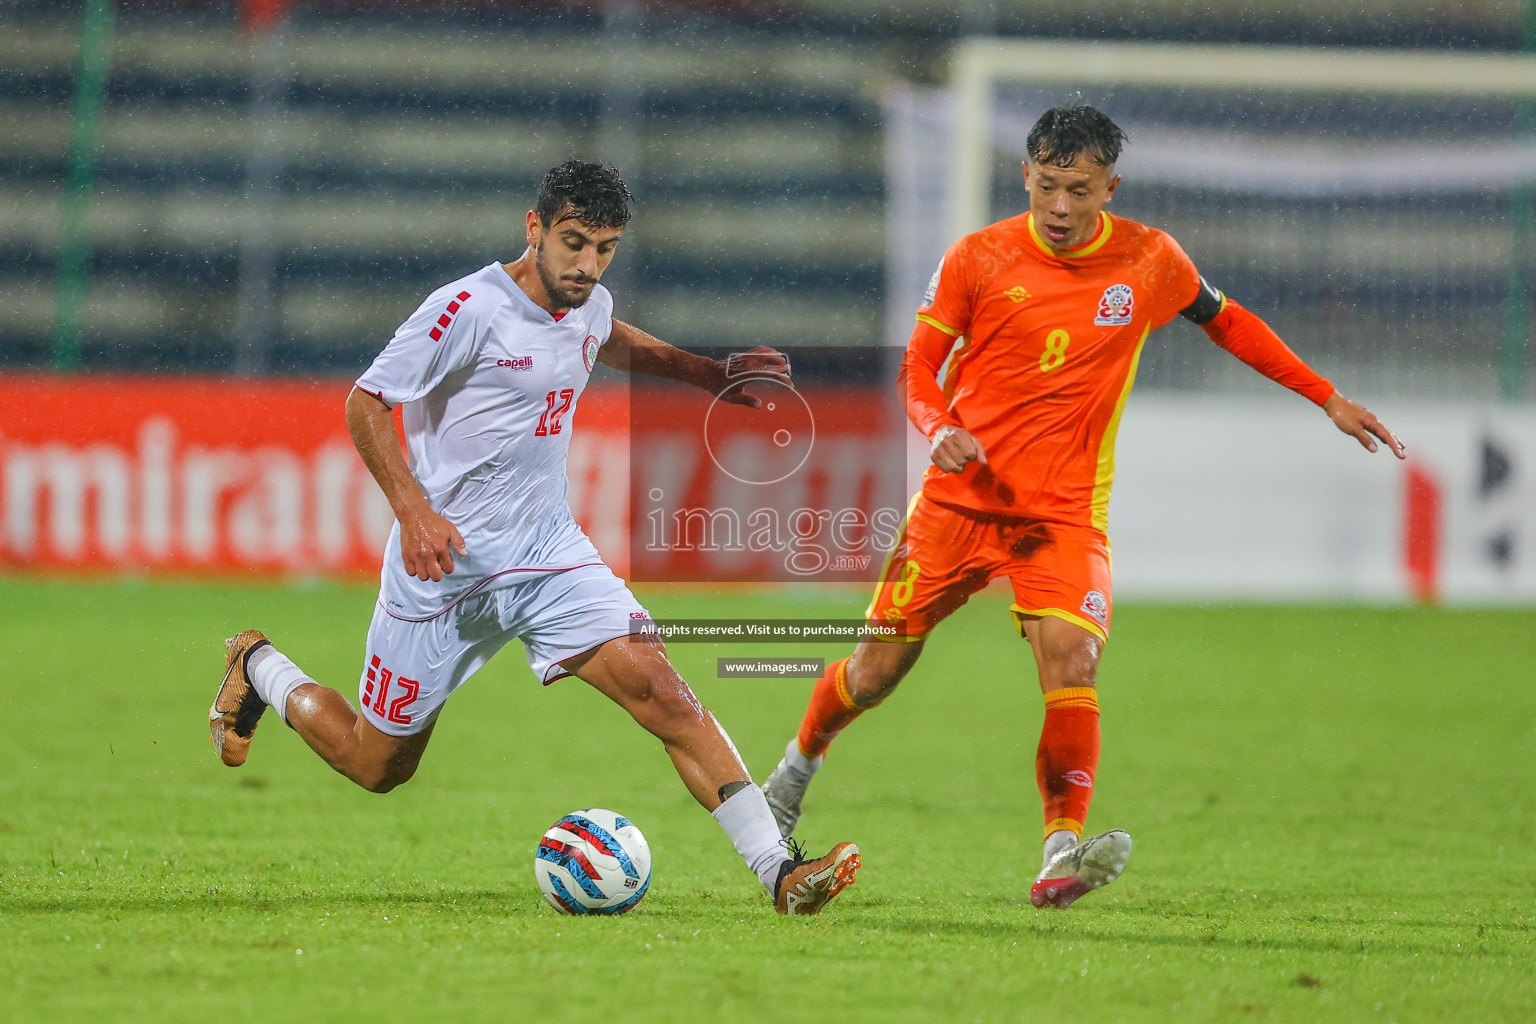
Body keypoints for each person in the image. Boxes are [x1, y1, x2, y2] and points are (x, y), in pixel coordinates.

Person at [761, 106, 1404, 909]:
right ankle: (793, 771)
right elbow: (919, 370)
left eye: (1079, 191)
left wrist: (1327, 397)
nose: (1060, 208)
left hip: (1063, 516)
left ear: (1110, 187)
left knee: (1072, 658)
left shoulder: (1149, 258)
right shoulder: (977, 256)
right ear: (1025, 174)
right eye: (1047, 187)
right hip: (959, 504)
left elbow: (1227, 322)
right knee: (876, 670)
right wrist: (939, 428)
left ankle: (1060, 852)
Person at [208, 160, 859, 916]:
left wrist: (707, 374)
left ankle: (779, 873)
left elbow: (610, 338)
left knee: (663, 691)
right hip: (444, 573)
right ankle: (259, 666)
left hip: (549, 555)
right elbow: (365, 403)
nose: (587, 266)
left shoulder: (589, 300)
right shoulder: (465, 310)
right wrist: (415, 514)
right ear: (535, 227)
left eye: (605, 248)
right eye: (574, 243)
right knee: (375, 764)